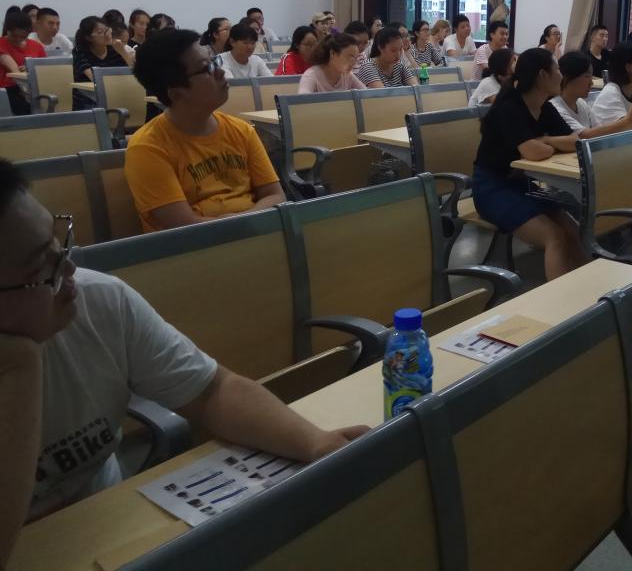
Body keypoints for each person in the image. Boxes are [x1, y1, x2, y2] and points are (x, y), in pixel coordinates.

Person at [0, 159, 368, 562]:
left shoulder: (99, 301)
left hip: (104, 519)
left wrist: (314, 442)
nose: (69, 268)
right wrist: (19, 365)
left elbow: (213, 391)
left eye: (58, 244)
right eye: (41, 267)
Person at [126, 29, 286, 232]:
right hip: (195, 248)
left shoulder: (241, 130)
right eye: (206, 68)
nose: (220, 72)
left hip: (257, 237)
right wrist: (244, 224)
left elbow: (276, 195)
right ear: (176, 94)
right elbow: (185, 227)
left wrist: (241, 222)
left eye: (215, 61)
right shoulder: (147, 148)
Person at [472, 48, 587, 281]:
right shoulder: (509, 107)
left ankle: (591, 290)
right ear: (542, 75)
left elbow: (574, 141)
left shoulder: (545, 106)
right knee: (554, 237)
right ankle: (562, 301)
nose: (561, 75)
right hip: (493, 187)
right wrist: (547, 144)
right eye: (557, 69)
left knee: (573, 231)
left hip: (524, 183)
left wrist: (546, 141)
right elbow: (532, 152)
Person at [550, 51, 632, 138]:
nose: (591, 83)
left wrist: (631, 122)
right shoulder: (555, 108)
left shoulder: (581, 103)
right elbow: (583, 136)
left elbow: (598, 129)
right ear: (567, 78)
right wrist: (628, 121)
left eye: (591, 76)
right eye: (586, 76)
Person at [71, 17, 132, 110]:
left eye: (107, 30)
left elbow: (133, 73)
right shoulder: (80, 51)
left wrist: (123, 52)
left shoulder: (114, 49)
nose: (107, 34)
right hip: (87, 102)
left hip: (114, 97)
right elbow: (95, 78)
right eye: (100, 32)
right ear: (89, 38)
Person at [0, 12, 46, 116]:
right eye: (14, 36)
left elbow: (45, 70)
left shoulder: (37, 47)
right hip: (8, 91)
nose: (18, 39)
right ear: (7, 30)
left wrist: (30, 68)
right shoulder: (1, 44)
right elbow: (13, 69)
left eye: (23, 36)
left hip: (33, 88)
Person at [299, 33, 366, 94]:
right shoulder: (311, 75)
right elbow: (302, 100)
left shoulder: (348, 75)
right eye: (350, 58)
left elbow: (366, 94)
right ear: (333, 54)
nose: (353, 64)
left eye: (355, 59)